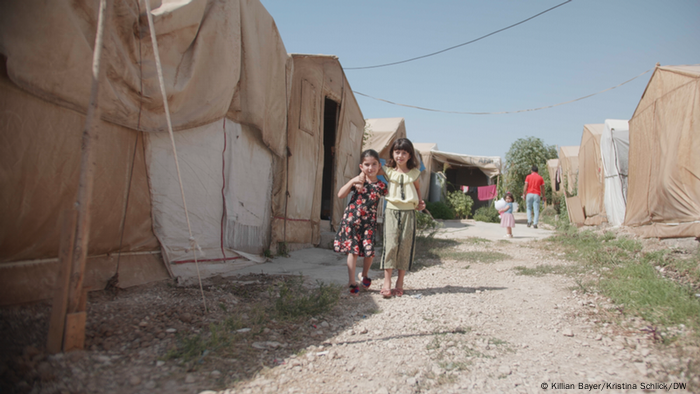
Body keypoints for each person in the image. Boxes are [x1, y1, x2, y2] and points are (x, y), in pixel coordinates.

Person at [334, 149, 387, 295]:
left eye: (374, 164)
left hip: (369, 222)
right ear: (361, 166)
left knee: (369, 251)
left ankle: (364, 275)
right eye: (367, 164)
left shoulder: (381, 186)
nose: (370, 168)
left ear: (379, 165)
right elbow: (340, 194)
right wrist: (353, 180)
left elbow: (391, 182)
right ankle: (352, 281)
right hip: (352, 220)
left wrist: (383, 172)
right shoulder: (357, 182)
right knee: (353, 251)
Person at [378, 138, 425, 298]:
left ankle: (400, 282)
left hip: (409, 213)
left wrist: (420, 203)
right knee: (390, 244)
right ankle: (387, 282)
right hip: (391, 211)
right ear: (392, 153)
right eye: (397, 152)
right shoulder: (387, 171)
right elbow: (368, 170)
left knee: (405, 245)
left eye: (404, 152)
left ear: (410, 155)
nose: (400, 155)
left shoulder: (415, 173)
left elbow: (417, 190)